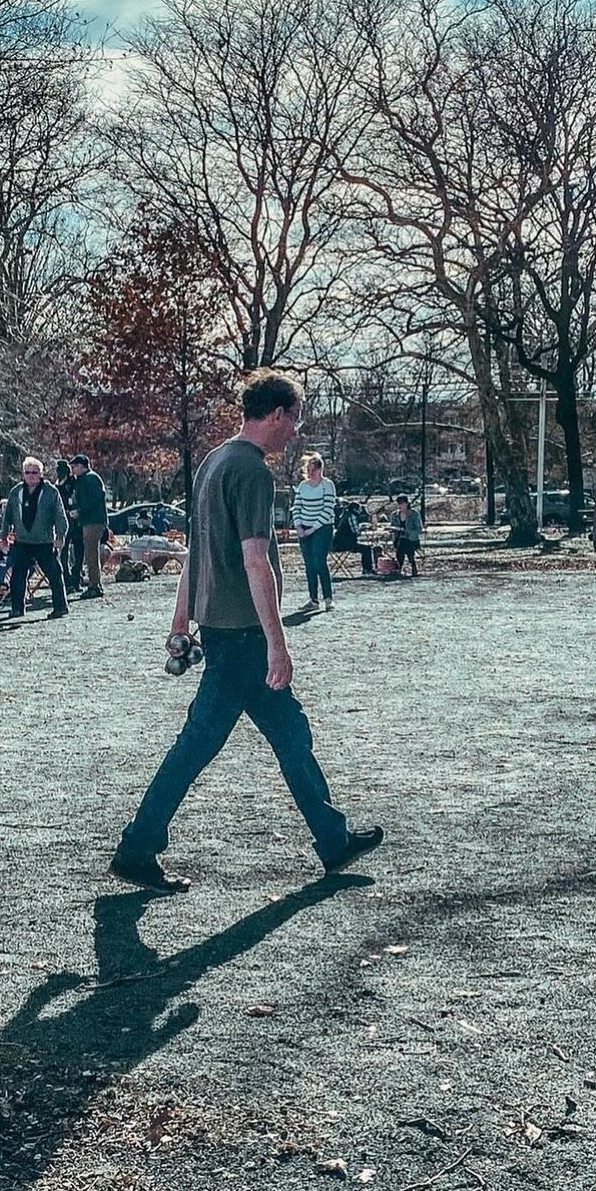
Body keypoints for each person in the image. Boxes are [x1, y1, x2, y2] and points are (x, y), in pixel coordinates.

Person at [109, 369, 384, 893]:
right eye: (295, 419)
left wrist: (179, 623)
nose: (296, 432)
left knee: (288, 734)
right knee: (198, 745)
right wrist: (278, 645)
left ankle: (332, 837)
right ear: (277, 414)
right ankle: (136, 848)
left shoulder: (214, 461)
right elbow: (255, 560)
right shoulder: (252, 471)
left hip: (223, 629)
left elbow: (195, 555)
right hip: (243, 637)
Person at [0, 457, 70, 619]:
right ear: (23, 474)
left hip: (44, 542)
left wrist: (60, 536)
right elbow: (7, 516)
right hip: (22, 542)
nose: (31, 475)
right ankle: (17, 608)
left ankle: (60, 606)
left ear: (41, 474)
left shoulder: (51, 492)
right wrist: (3, 536)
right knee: (17, 576)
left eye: (35, 472)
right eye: (28, 472)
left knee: (54, 574)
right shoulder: (16, 492)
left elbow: (60, 516)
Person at [292, 452, 337, 611]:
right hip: (304, 528)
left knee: (319, 561)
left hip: (322, 528)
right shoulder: (303, 486)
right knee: (309, 564)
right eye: (309, 470)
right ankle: (313, 599)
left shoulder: (328, 485)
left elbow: (327, 510)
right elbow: (296, 507)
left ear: (320, 469)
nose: (311, 473)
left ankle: (328, 598)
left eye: (314, 470)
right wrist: (298, 527)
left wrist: (312, 529)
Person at [71, 454, 108, 599]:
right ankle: (94, 583)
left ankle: (95, 585)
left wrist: (79, 511)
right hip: (89, 521)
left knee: (91, 554)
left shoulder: (91, 479)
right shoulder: (84, 479)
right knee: (90, 553)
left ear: (81, 466)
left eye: (74, 467)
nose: (73, 470)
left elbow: (94, 500)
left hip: (93, 521)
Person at [55, 459, 82, 590]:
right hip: (62, 523)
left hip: (75, 521)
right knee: (63, 553)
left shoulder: (74, 483)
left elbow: (77, 499)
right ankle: (67, 580)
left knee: (78, 552)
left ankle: (76, 579)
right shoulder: (56, 486)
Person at [333, 499, 375, 576]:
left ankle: (367, 569)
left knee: (366, 548)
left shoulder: (345, 515)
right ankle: (367, 570)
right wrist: (363, 527)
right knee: (367, 549)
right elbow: (355, 531)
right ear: (355, 509)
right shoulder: (352, 516)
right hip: (344, 544)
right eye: (359, 509)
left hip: (339, 542)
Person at [389, 494, 422, 577]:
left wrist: (407, 531)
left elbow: (418, 529)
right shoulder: (394, 515)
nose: (400, 506)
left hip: (411, 539)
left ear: (407, 504)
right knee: (401, 545)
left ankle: (408, 567)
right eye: (398, 504)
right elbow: (392, 526)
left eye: (402, 504)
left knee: (405, 545)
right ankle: (403, 567)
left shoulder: (414, 514)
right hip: (398, 539)